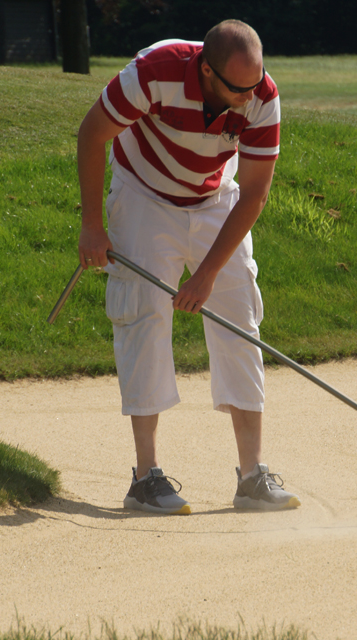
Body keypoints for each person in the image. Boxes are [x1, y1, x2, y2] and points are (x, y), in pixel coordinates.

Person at [74, 19, 299, 515]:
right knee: (146, 315)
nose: (248, 98)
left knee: (241, 318)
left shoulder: (262, 94)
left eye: (254, 86)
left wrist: (208, 273)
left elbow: (256, 191)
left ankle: (251, 477)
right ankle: (146, 478)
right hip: (143, 194)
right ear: (205, 70)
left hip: (215, 195)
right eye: (237, 90)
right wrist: (93, 226)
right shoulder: (155, 72)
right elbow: (92, 134)